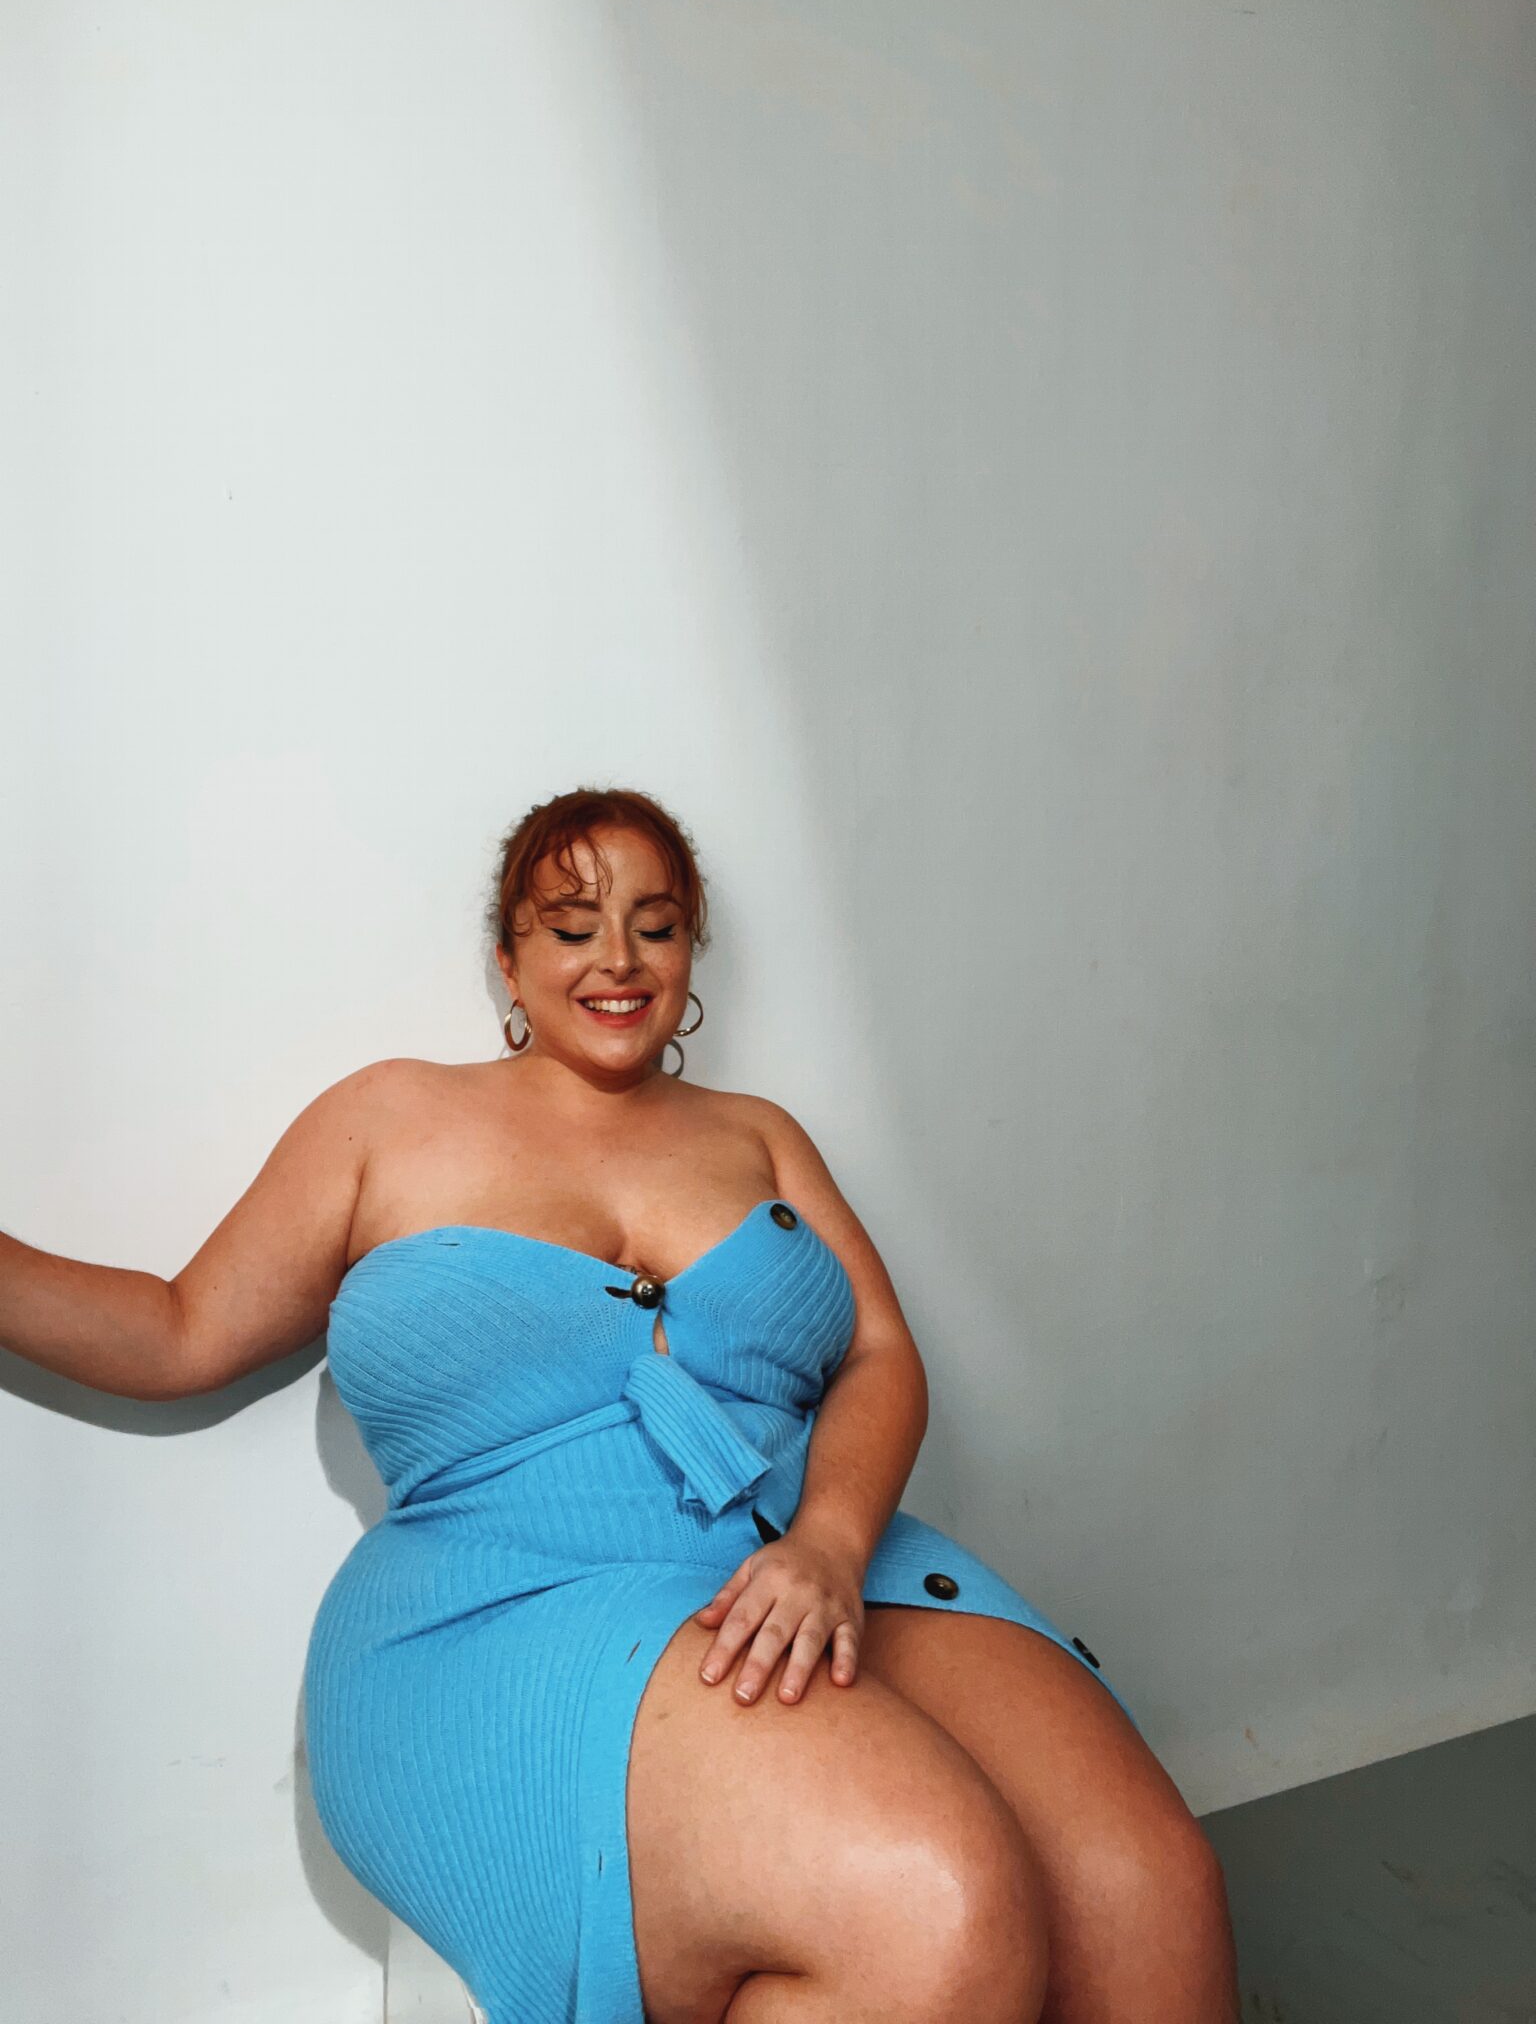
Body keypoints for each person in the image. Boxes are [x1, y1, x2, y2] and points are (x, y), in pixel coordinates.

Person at [1, 786, 1239, 2022]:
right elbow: (176, 1329)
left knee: (1150, 1888)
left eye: (656, 925)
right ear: (508, 957)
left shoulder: (759, 1135)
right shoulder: (389, 1117)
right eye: (572, 925)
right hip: (510, 1608)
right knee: (935, 1907)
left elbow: (879, 1351)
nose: (619, 959)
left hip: (810, 1556)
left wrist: (828, 1541)